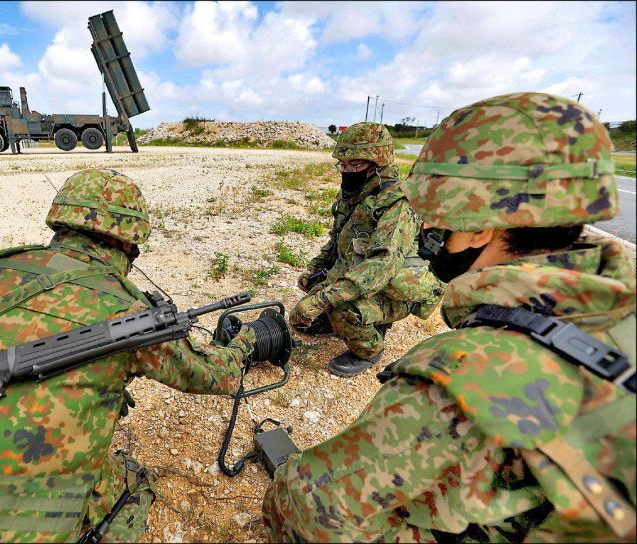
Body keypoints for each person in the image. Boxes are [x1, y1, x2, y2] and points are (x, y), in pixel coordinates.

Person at [263, 92, 636, 541]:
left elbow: (305, 502)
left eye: (440, 220)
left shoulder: (466, 370)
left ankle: (368, 342)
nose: (430, 232)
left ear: (480, 227)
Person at [0, 168, 257, 543]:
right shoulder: (130, 313)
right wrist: (246, 342)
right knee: (132, 481)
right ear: (130, 243)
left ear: (60, 221)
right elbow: (216, 376)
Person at [289, 121, 443, 377]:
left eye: (355, 166)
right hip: (364, 277)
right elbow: (337, 239)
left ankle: (370, 351)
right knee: (305, 321)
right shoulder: (354, 196)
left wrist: (325, 298)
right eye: (343, 165)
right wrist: (315, 270)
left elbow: (382, 266)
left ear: (378, 164)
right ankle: (368, 317)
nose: (347, 171)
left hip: (395, 286)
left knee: (342, 310)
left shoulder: (397, 205)